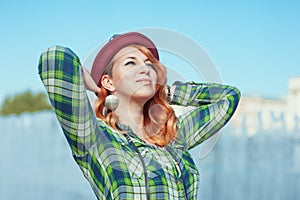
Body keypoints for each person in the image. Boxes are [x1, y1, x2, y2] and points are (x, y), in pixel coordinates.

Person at [38, 32, 240, 200]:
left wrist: (168, 93)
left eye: (149, 64)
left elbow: (229, 98)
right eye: (130, 63)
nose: (144, 68)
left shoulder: (174, 136)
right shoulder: (95, 139)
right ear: (109, 82)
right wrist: (90, 82)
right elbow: (53, 59)